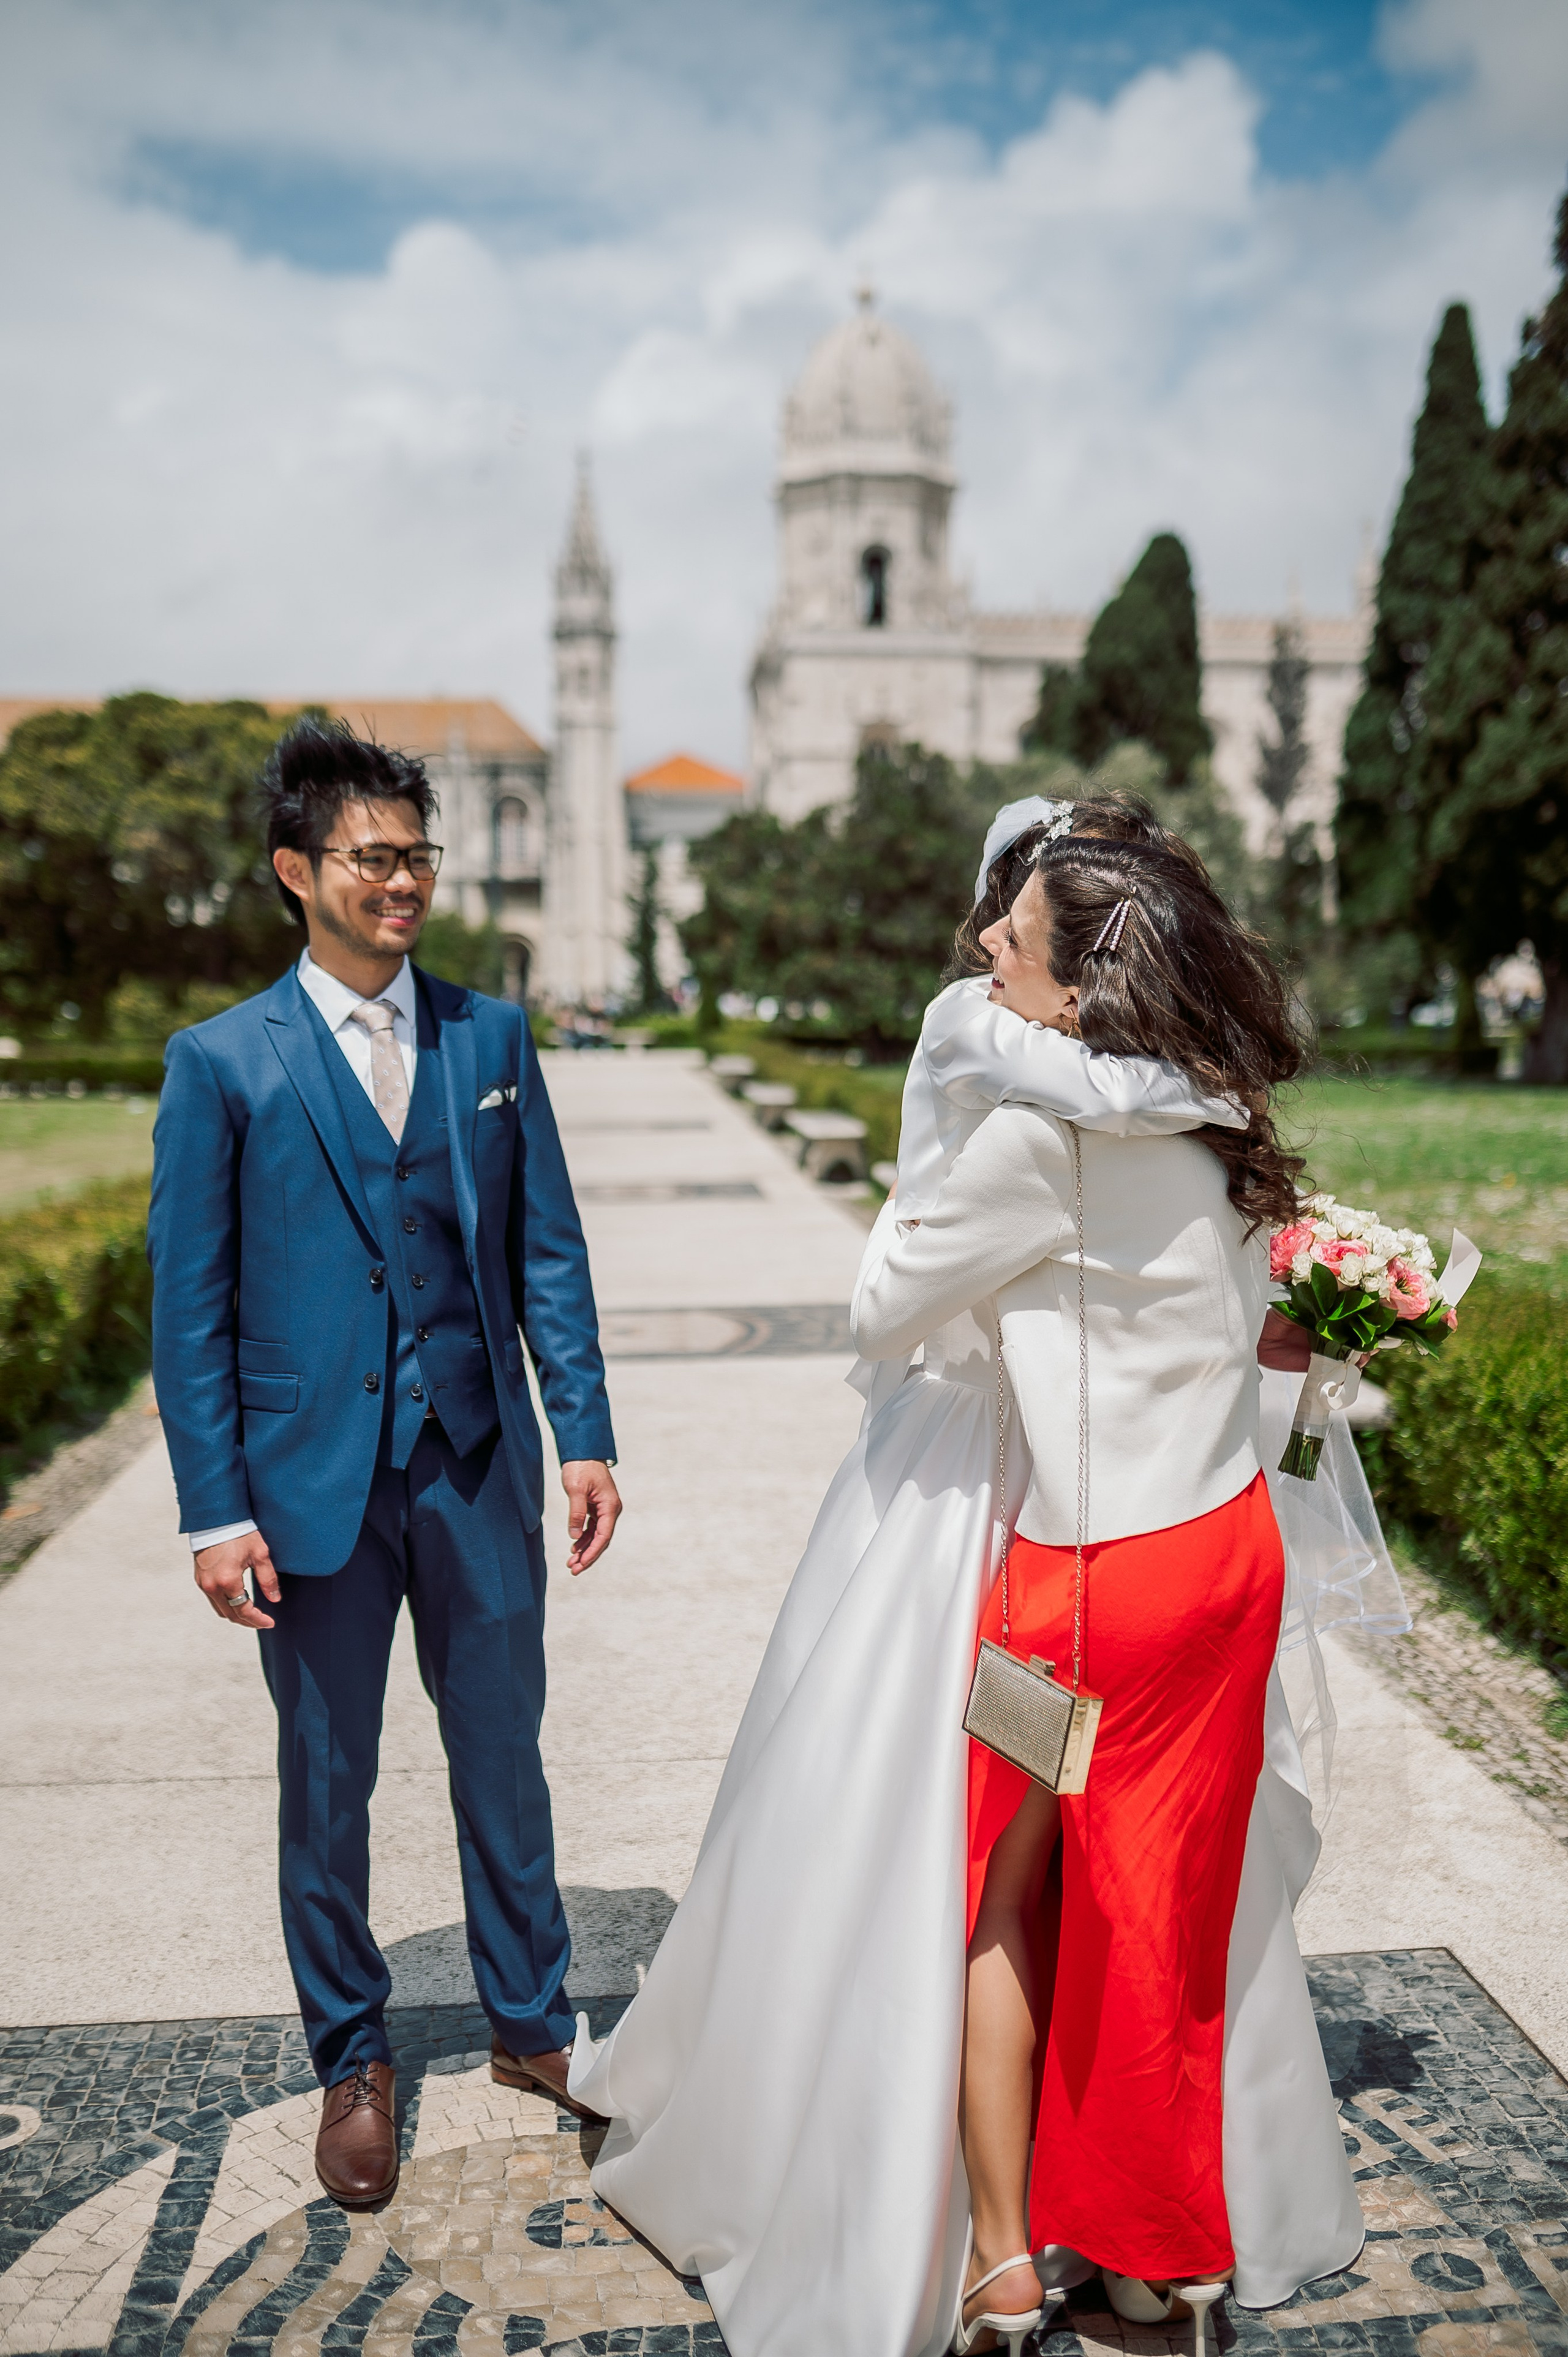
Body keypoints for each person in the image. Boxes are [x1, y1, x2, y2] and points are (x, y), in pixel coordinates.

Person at [852, 833, 1363, 2353]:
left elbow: (879, 1312)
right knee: (1159, 1924)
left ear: (1078, 991)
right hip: (1224, 1561)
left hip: (1082, 1592)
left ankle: (1002, 2260)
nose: (984, 953)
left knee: (999, 1901)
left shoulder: (1033, 1146)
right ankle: (1153, 2266)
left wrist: (930, 1137)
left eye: (1010, 940)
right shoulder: (1225, 1126)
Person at [148, 719, 620, 2210]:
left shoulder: (490, 1037)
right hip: (307, 1485)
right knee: (327, 1776)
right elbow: (191, 1308)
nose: (404, 880)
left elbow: (547, 1251)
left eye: (418, 854)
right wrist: (214, 1510)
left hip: (472, 1460)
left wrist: (583, 1429)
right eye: (373, 856)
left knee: (504, 1756)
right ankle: (351, 2055)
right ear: (297, 871)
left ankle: (532, 2023)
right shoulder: (221, 1062)